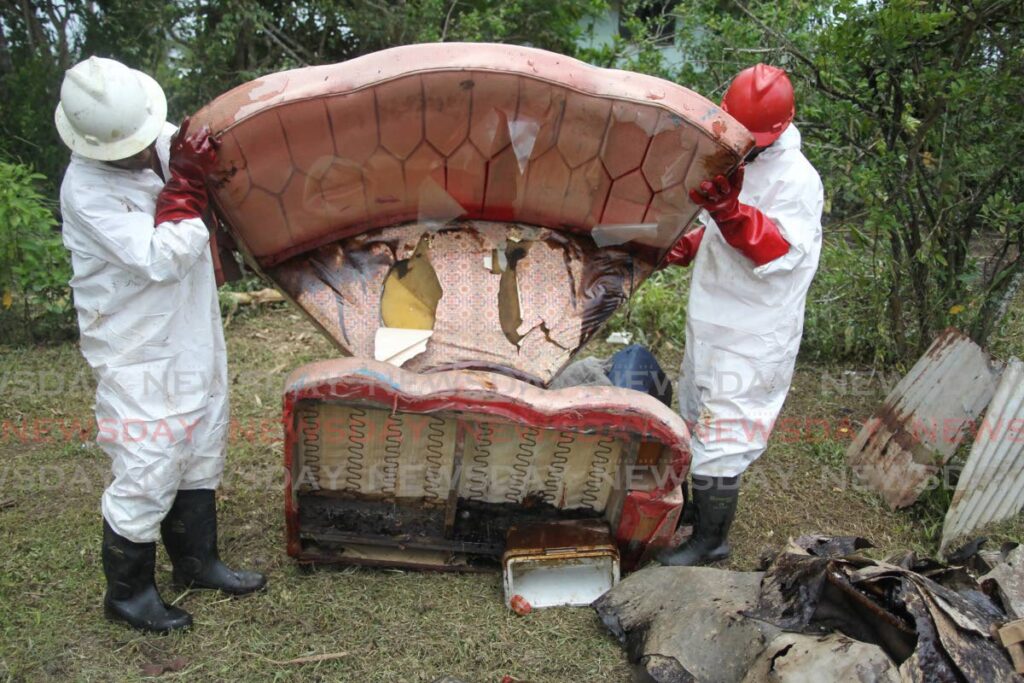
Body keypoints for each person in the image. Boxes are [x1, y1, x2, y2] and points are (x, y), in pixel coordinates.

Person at [56, 56, 266, 633]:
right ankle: (127, 595)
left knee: (200, 441)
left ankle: (197, 563)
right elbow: (162, 256)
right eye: (133, 150)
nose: (146, 153)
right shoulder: (88, 191)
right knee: (150, 460)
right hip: (136, 342)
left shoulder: (154, 136)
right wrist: (187, 181)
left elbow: (198, 150)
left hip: (188, 326)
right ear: (98, 148)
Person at [656, 64, 824, 566]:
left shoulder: (797, 180)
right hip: (713, 317)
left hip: (754, 330)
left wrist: (732, 214)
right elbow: (711, 225)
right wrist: (680, 242)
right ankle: (693, 513)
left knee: (725, 431)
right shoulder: (729, 156)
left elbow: (780, 254)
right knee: (695, 415)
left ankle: (712, 542)